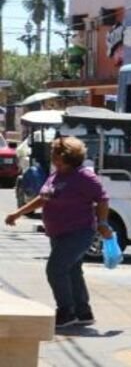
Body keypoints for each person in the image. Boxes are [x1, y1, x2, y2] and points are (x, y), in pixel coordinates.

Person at [5, 137, 111, 328]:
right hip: (58, 232)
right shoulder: (57, 175)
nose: (53, 159)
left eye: (57, 156)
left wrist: (103, 223)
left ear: (68, 157)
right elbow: (43, 198)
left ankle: (66, 311)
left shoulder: (84, 176)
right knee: (72, 270)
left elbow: (102, 199)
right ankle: (83, 311)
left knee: (55, 269)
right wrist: (18, 213)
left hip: (79, 232)